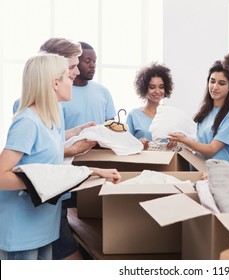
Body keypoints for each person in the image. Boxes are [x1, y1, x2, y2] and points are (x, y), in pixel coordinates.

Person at [0, 53, 121, 260]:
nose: (73, 80)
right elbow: (2, 176)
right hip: (21, 230)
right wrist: (41, 180)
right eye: (68, 77)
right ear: (55, 83)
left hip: (44, 226)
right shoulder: (27, 122)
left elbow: (52, 168)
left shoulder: (51, 119)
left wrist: (93, 172)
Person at [169, 61, 229, 164]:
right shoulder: (204, 112)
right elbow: (195, 141)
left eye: (221, 83)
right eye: (212, 81)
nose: (215, 87)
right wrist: (179, 138)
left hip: (218, 173)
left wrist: (185, 140)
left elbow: (212, 149)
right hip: (198, 171)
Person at [62, 41, 116, 131]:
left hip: (100, 145)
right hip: (71, 145)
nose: (93, 65)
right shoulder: (61, 93)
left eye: (94, 61)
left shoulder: (103, 91)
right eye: (87, 61)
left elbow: (111, 128)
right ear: (75, 62)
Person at [126, 62, 174, 148]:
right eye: (152, 87)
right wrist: (138, 143)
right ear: (144, 88)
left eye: (161, 87)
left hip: (166, 160)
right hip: (141, 160)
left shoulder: (170, 115)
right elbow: (125, 144)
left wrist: (174, 142)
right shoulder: (134, 115)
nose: (157, 91)